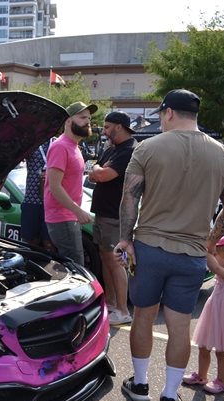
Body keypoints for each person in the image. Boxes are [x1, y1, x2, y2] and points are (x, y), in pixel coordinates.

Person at [116, 89, 224, 401]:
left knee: (143, 315)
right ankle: (169, 397)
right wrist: (210, 241)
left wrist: (125, 240)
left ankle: (140, 385)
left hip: (150, 249)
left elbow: (129, 199)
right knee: (179, 325)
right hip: (193, 254)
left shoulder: (147, 148)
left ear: (168, 113)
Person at [88, 111, 137, 326]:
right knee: (106, 259)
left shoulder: (129, 150)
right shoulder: (112, 150)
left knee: (116, 262)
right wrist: (98, 169)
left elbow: (101, 175)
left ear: (119, 126)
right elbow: (93, 171)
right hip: (102, 214)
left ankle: (123, 310)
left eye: (108, 127)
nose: (105, 131)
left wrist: (98, 170)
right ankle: (111, 303)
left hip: (114, 216)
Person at [182, 235, 224, 395]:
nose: (215, 256)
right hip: (214, 309)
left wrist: (206, 250)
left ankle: (221, 381)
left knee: (221, 351)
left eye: (218, 254)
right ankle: (201, 375)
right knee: (203, 346)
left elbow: (217, 269)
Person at [44, 101, 96, 265]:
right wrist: (78, 211)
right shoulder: (60, 146)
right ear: (68, 121)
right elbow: (54, 186)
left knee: (72, 267)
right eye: (82, 117)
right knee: (76, 267)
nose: (87, 122)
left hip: (68, 216)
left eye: (89, 118)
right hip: (62, 217)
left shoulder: (74, 146)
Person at [21, 138, 53, 252]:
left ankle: (49, 268)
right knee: (30, 242)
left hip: (51, 202)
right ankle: (30, 267)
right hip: (31, 200)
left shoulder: (57, 143)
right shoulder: (31, 144)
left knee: (49, 244)